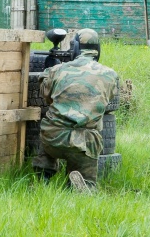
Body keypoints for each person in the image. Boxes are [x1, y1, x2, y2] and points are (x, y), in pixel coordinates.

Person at [32, 28, 120, 193]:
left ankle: (43, 177)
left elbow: (46, 96)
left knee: (50, 124)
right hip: (84, 142)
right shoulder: (110, 75)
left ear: (76, 48)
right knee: (86, 174)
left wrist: (49, 69)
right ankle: (81, 184)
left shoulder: (58, 70)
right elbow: (106, 99)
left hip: (53, 138)